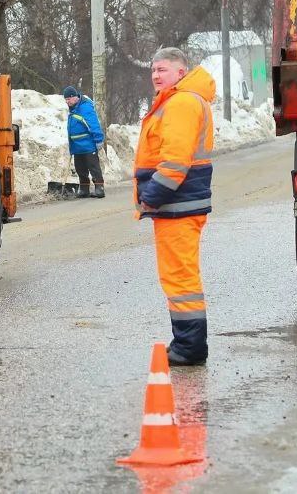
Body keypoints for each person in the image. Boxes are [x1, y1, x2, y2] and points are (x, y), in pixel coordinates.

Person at [133, 47, 215, 366]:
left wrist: (150, 196)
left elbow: (175, 164)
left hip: (177, 205)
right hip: (180, 206)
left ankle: (189, 348)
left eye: (163, 69)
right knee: (180, 275)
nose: (156, 75)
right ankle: (186, 342)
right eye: (153, 69)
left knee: (180, 278)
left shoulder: (181, 103)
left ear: (181, 73)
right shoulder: (182, 100)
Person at [64, 86, 105, 198]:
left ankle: (99, 188)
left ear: (75, 97)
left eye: (69, 99)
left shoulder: (85, 107)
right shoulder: (73, 109)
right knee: (80, 168)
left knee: (93, 167)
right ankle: (84, 189)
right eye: (66, 100)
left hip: (88, 144)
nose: (67, 102)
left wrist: (98, 139)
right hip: (77, 146)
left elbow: (93, 124)